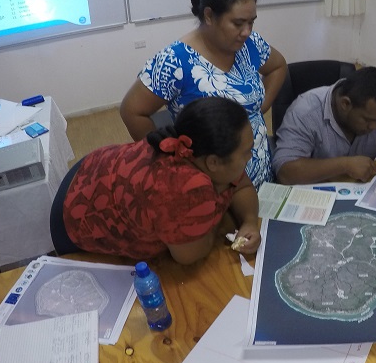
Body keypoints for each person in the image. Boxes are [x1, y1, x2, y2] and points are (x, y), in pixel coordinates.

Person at [119, 0, 287, 187]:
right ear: (209, 16)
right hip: (211, 185)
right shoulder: (175, 60)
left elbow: (278, 66)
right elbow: (132, 110)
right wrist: (165, 157)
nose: (246, 31)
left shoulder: (250, 43)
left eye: (251, 22)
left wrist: (259, 108)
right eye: (237, 23)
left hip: (260, 172)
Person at [51, 97, 261, 263]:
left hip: (93, 171)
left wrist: (249, 221)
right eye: (246, 152)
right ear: (214, 163)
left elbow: (241, 185)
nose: (250, 157)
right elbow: (189, 256)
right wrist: (219, 205)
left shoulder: (196, 148)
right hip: (75, 216)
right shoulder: (185, 190)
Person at [273, 66, 376, 184]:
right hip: (315, 198)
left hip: (362, 193)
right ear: (345, 104)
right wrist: (345, 165)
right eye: (367, 120)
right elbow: (285, 171)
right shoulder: (305, 112)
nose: (375, 126)